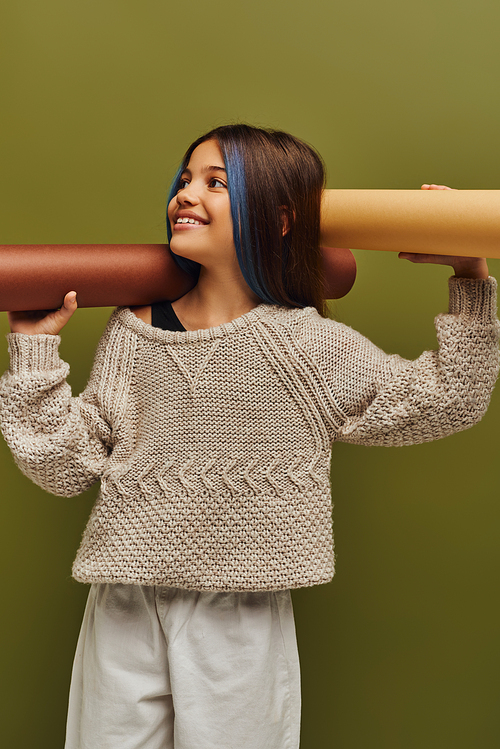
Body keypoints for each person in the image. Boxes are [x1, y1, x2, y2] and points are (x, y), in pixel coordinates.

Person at [0, 124, 498, 749]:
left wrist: (469, 272)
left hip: (242, 611)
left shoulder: (308, 346)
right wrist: (34, 350)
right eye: (185, 179)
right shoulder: (131, 333)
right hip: (123, 603)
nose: (186, 193)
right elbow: (62, 468)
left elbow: (451, 397)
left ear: (280, 220)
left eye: (216, 183)